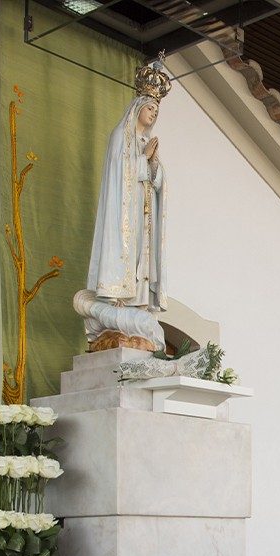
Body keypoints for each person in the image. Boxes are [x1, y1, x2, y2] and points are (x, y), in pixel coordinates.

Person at [76, 60, 172, 352]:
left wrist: (153, 164)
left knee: (143, 260)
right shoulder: (121, 137)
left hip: (144, 218)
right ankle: (116, 300)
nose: (153, 114)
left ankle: (137, 302)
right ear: (137, 107)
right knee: (126, 255)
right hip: (124, 215)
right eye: (149, 108)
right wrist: (143, 159)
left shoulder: (145, 141)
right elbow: (121, 177)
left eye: (156, 111)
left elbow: (156, 182)